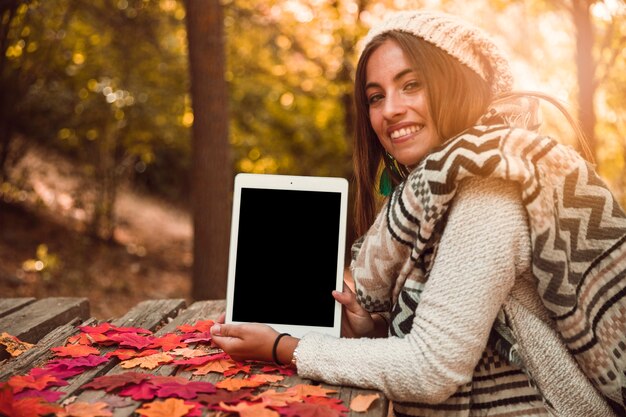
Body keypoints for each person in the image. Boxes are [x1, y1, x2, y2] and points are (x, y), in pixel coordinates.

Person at [210, 10, 626, 417]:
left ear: (459, 86)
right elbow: (453, 325)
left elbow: (433, 369)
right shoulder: (431, 190)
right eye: (376, 96)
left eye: (411, 85)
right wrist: (371, 327)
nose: (389, 110)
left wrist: (285, 347)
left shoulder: (489, 188)